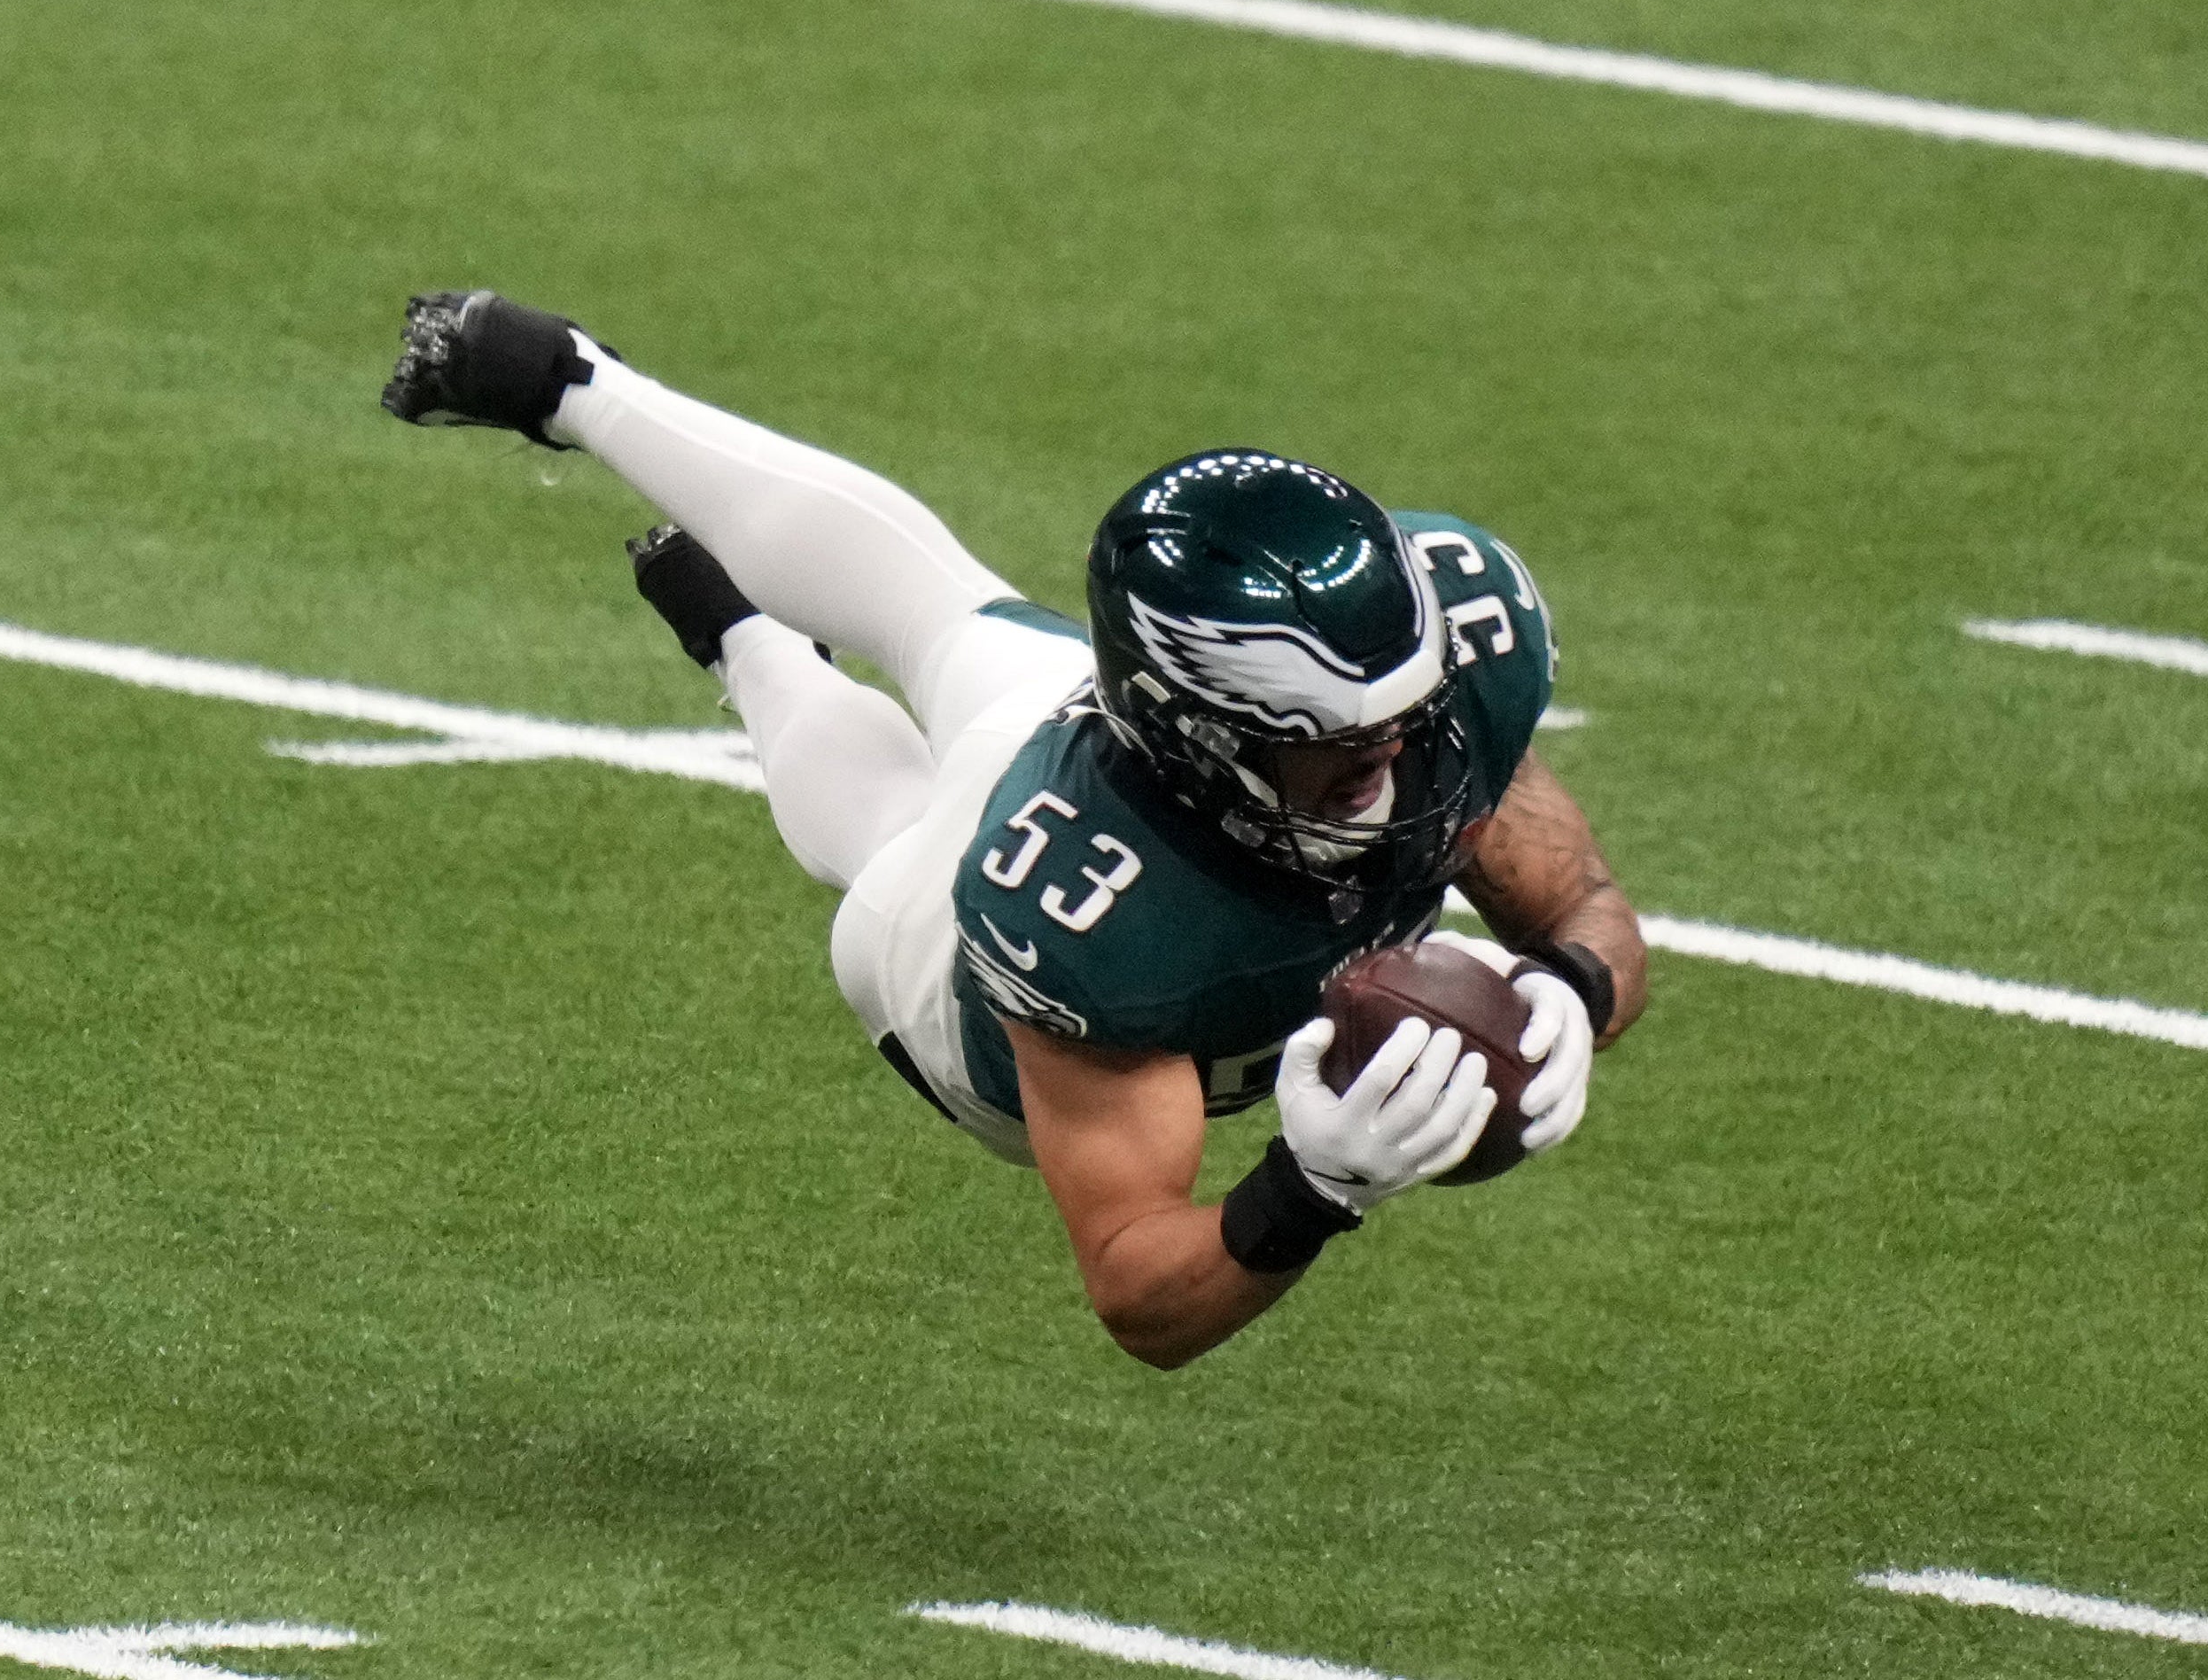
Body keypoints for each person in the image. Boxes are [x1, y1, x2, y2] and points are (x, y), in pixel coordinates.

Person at [381, 290, 1648, 1369]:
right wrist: (1304, 1194)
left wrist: (1574, 987)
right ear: (1198, 727)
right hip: (979, 985)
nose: (1392, 768)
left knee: (946, 605)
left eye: (1405, 723)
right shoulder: (1078, 903)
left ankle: (579, 388)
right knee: (882, 844)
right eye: (1336, 745)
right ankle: (751, 645)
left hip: (1093, 737)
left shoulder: (1430, 687)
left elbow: (1575, 894)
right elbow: (1133, 1283)